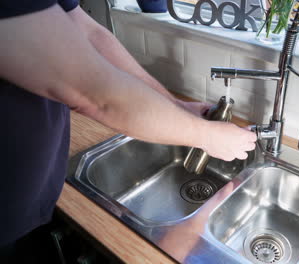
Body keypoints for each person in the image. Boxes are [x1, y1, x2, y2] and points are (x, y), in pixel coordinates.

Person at [0, 0, 257, 261]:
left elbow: (88, 32)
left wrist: (176, 105)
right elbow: (95, 93)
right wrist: (208, 136)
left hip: (27, 190)